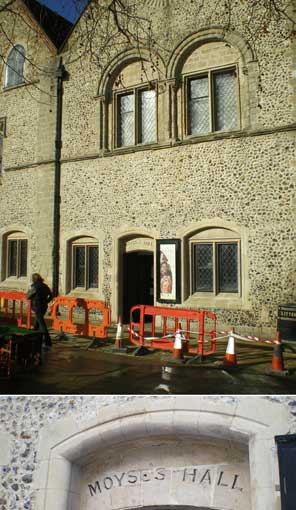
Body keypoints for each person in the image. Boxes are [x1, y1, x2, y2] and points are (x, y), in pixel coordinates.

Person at [26, 273, 53, 350]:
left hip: (37, 307)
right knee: (36, 325)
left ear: (34, 279)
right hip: (44, 307)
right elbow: (51, 295)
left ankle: (48, 342)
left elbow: (27, 296)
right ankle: (33, 339)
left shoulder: (35, 287)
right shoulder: (45, 286)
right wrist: (46, 301)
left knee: (42, 325)